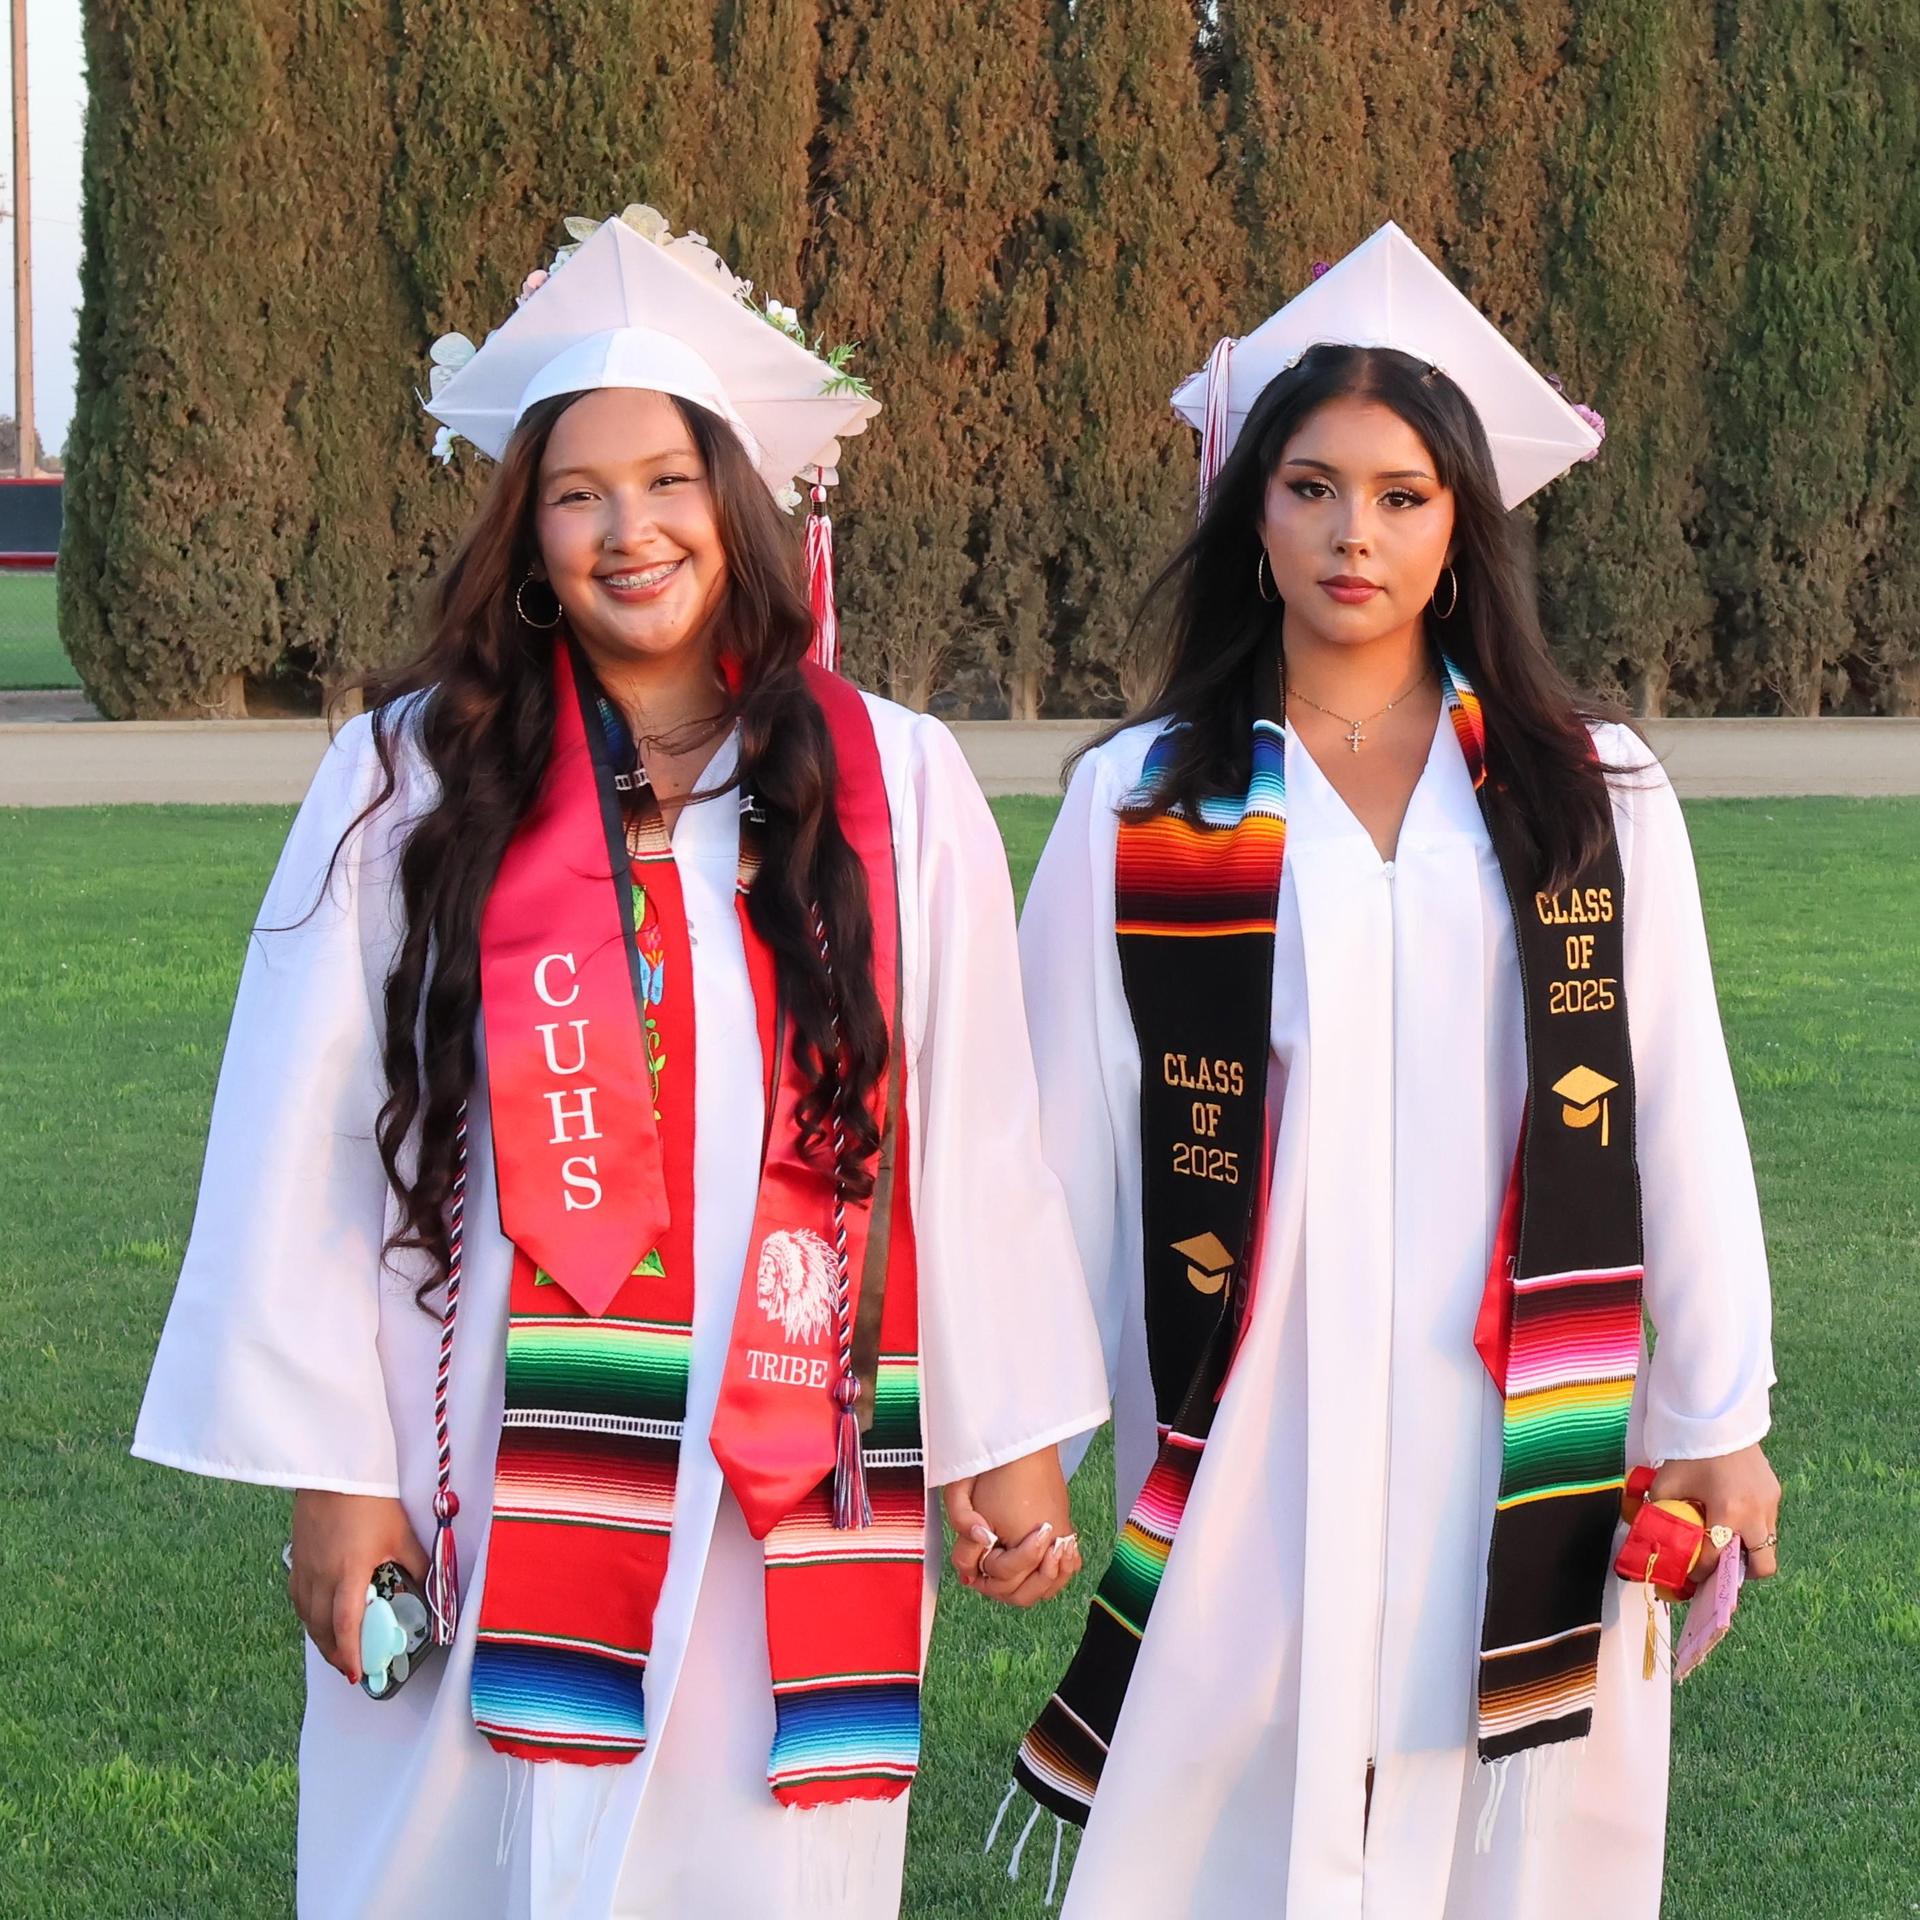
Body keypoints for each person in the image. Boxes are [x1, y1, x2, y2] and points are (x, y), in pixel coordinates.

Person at [132, 202, 1106, 1919]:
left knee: (753, 1847)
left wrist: (1008, 1433)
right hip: (487, 1437)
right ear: (528, 533)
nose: (628, 529)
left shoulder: (894, 778)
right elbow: (299, 1136)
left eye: (667, 481)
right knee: (463, 1844)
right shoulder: (411, 778)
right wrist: (335, 1480)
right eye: (578, 493)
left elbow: (972, 1131)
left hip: (787, 1443)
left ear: (737, 502)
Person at [998, 223, 1780, 1917]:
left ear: (1461, 524)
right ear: (1252, 514)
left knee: (1508, 1804)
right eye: (1312, 488)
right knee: (1224, 1785)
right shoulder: (1145, 801)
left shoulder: (1587, 791)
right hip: (1249, 1392)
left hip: (1506, 1392)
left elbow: (1676, 1103)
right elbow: (1049, 1143)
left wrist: (1717, 1415)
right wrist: (1018, 1435)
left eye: (1403, 494)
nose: (1355, 532)